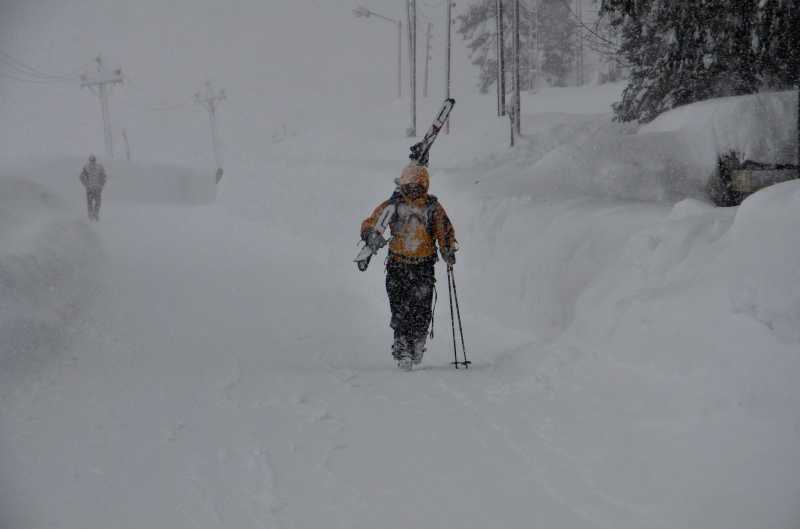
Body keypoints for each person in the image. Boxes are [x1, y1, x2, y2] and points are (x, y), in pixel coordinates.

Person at [360, 162, 458, 370]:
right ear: (403, 184)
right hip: (398, 266)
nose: (414, 189)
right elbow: (372, 221)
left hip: (423, 267)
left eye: (418, 185)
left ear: (425, 185)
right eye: (410, 185)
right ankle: (402, 346)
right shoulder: (393, 205)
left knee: (422, 308)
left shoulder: (432, 207)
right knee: (399, 307)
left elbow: (444, 229)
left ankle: (418, 341)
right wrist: (370, 235)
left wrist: (447, 248)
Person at [79, 154, 107, 221]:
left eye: (93, 160)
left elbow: (103, 177)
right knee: (93, 203)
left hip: (94, 188)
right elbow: (82, 177)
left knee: (93, 203)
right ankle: (92, 215)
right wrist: (86, 184)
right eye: (91, 160)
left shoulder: (97, 167)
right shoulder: (89, 167)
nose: (92, 162)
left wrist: (101, 185)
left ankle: (93, 215)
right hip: (93, 188)